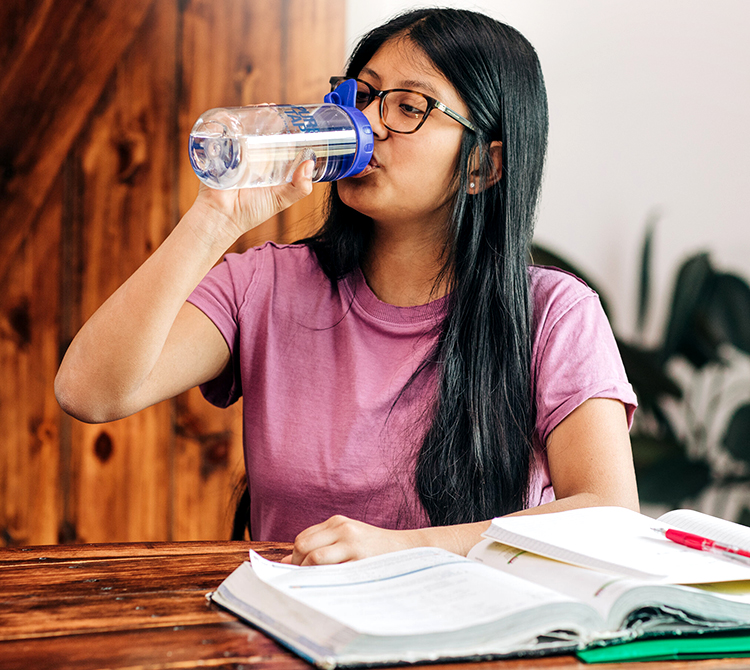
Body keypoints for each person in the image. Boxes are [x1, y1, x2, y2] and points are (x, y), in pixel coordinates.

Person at [55, 8, 639, 565]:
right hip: (291, 631)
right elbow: (90, 392)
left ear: (483, 167)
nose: (366, 124)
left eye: (408, 107)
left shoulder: (553, 314)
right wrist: (216, 218)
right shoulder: (266, 284)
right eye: (361, 96)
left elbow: (609, 515)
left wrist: (401, 550)